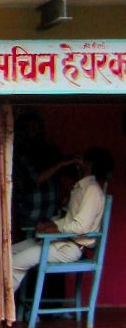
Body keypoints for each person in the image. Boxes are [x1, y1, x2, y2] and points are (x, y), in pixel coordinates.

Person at [10, 146, 114, 294]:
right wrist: (50, 225)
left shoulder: (91, 190)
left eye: (81, 160)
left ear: (88, 164)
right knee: (10, 254)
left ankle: (0, 313)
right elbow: (69, 219)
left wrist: (56, 229)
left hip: (70, 247)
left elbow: (81, 227)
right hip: (61, 242)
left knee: (14, 264)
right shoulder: (81, 187)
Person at [11, 111, 76, 240]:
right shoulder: (21, 153)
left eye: (38, 128)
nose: (36, 131)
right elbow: (37, 179)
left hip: (51, 211)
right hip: (32, 212)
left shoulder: (47, 151)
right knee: (27, 252)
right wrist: (60, 164)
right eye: (31, 128)